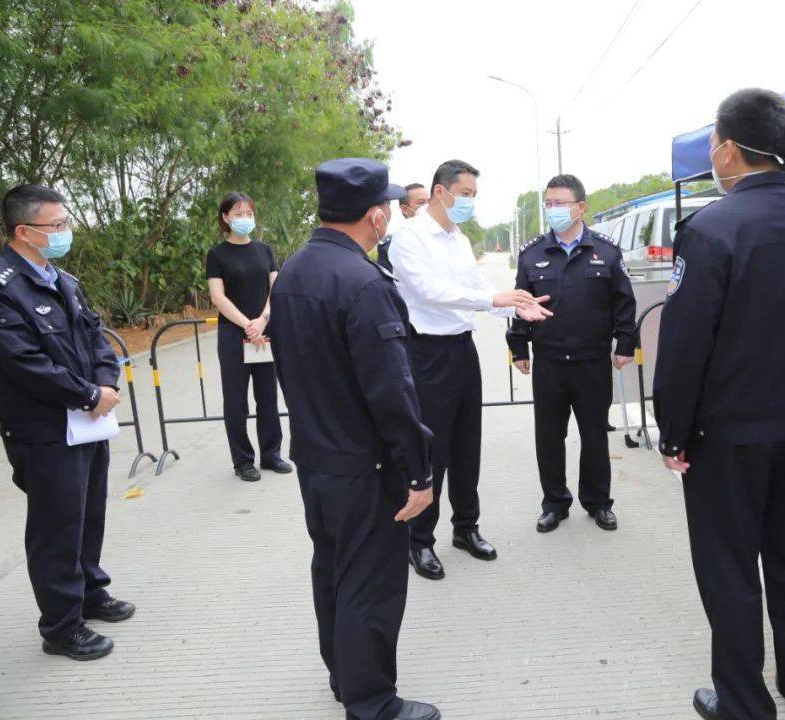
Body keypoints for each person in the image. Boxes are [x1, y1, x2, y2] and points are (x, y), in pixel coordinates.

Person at [653, 89, 785, 720]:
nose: (713, 153)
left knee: (730, 569)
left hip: (725, 436)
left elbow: (684, 347)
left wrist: (673, 433)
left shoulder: (710, 231)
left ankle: (742, 702)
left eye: (714, 142)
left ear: (729, 150)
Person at [268, 159, 440, 720]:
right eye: (386, 206)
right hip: (365, 466)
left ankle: (345, 676)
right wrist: (418, 472)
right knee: (370, 583)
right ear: (375, 215)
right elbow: (392, 393)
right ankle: (372, 702)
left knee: (333, 570)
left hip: (317, 459)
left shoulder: (294, 270)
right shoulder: (363, 283)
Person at [0, 184, 136, 661]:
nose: (65, 232)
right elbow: (22, 361)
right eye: (56, 226)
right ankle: (60, 625)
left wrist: (104, 382)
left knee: (88, 513)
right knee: (56, 526)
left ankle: (89, 591)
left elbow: (96, 334)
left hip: (88, 421)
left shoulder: (63, 279)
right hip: (46, 428)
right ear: (23, 231)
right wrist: (89, 393)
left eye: (66, 223)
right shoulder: (0, 289)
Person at [389, 159, 551, 581]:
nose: (470, 203)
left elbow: (477, 290)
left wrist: (514, 306)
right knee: (433, 450)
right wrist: (494, 301)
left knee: (466, 445)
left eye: (474, 196)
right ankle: (419, 540)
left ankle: (466, 528)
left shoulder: (459, 240)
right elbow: (429, 291)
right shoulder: (407, 237)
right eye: (466, 194)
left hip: (462, 350)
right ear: (440, 192)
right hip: (427, 353)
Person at [506, 174, 636, 533]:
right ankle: (554, 503)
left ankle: (598, 502)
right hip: (549, 361)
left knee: (594, 435)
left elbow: (623, 302)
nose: (553, 209)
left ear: (580, 207)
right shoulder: (532, 253)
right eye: (549, 203)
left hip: (592, 362)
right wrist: (518, 347)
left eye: (560, 203)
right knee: (549, 437)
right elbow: (520, 303)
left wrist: (626, 343)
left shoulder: (606, 252)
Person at [206, 192, 291, 482]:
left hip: (265, 332)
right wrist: (247, 325)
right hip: (234, 335)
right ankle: (242, 460)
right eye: (238, 214)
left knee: (267, 396)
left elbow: (275, 289)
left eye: (249, 213)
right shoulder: (217, 255)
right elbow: (218, 297)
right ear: (225, 217)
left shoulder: (264, 250)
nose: (245, 219)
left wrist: (263, 319)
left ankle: (271, 454)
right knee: (236, 401)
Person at [376, 184, 428, 272]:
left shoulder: (445, 237)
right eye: (421, 203)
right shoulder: (389, 247)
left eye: (430, 202)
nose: (427, 206)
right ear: (405, 209)